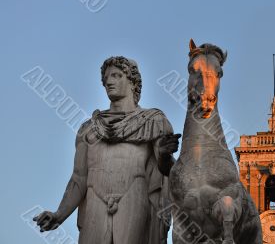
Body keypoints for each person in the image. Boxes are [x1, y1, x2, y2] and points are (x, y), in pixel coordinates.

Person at [34, 56, 180, 244]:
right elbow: (79, 178)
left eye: (117, 75)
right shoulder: (89, 129)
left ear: (132, 82)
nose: (109, 82)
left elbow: (167, 171)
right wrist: (59, 215)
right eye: (106, 78)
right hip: (95, 205)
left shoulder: (152, 122)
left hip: (134, 200)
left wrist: (165, 155)